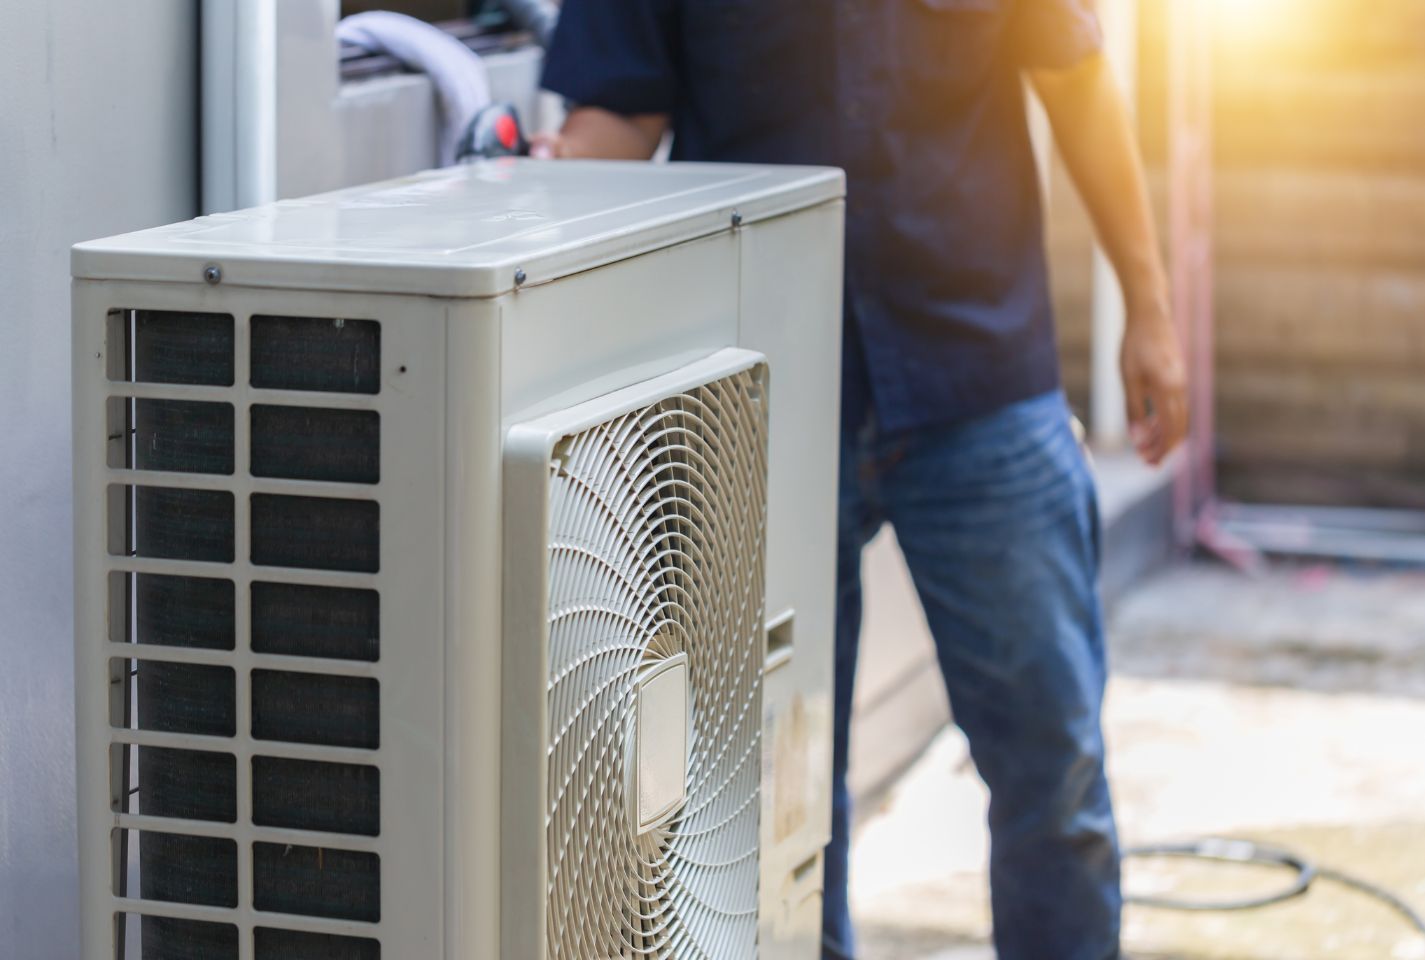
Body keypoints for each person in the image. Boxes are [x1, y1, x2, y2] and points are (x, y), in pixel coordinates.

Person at [536, 2, 1186, 957]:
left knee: (1054, 762)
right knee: (769, 787)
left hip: (979, 372)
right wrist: (512, 199)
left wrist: (1150, 308)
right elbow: (623, 118)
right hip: (763, 387)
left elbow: (1076, 78)